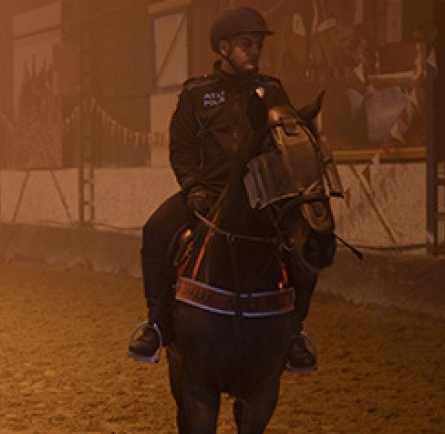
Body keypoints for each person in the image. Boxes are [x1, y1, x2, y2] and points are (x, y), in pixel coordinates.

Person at [127, 6, 320, 370]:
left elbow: (286, 142)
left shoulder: (272, 90)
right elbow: (182, 149)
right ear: (223, 48)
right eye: (247, 43)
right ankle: (156, 323)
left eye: (257, 44)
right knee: (156, 230)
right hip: (208, 194)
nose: (254, 51)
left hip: (262, 196)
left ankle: (294, 330)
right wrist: (192, 187)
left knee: (306, 241)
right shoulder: (196, 93)